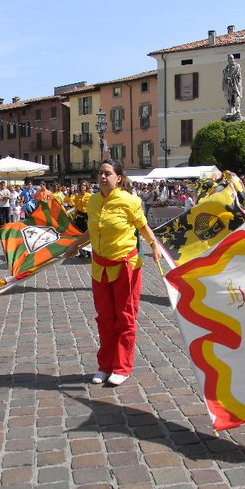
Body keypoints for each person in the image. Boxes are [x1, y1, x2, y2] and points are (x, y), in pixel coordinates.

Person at [65, 160, 162, 386]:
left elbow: (142, 226)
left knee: (125, 318)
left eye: (107, 173)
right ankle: (105, 365)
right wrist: (75, 245)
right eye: (100, 173)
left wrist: (154, 244)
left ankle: (122, 366)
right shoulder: (93, 201)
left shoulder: (130, 201)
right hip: (100, 268)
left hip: (125, 267)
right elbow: (91, 230)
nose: (102, 177)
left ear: (118, 177)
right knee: (105, 318)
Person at [222, 54, 243, 118]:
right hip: (228, 85)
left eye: (231, 58)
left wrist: (234, 79)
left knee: (237, 96)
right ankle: (231, 109)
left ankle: (238, 109)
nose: (231, 60)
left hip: (236, 84)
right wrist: (226, 79)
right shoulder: (225, 69)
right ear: (228, 60)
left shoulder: (237, 66)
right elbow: (224, 77)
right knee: (230, 97)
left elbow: (238, 75)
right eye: (229, 58)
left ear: (233, 59)